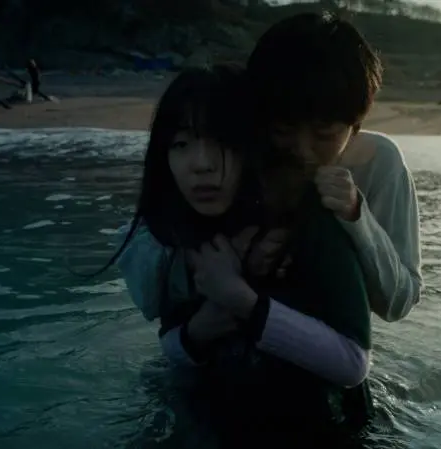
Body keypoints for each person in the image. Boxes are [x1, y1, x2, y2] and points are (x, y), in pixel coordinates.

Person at [117, 11, 422, 434]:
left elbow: (396, 304)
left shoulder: (378, 163)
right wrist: (210, 271)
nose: (302, 149)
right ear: (261, 119)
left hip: (318, 366)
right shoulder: (238, 155)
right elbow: (157, 286)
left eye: (324, 134)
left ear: (355, 125)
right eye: (283, 130)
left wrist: (357, 217)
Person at [110, 64, 372, 447]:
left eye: (223, 142)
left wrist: (241, 300)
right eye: (180, 144)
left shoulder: (311, 221)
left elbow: (352, 364)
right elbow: (171, 345)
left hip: (322, 428)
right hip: (215, 421)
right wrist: (202, 328)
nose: (201, 164)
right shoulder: (179, 231)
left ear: (254, 147)